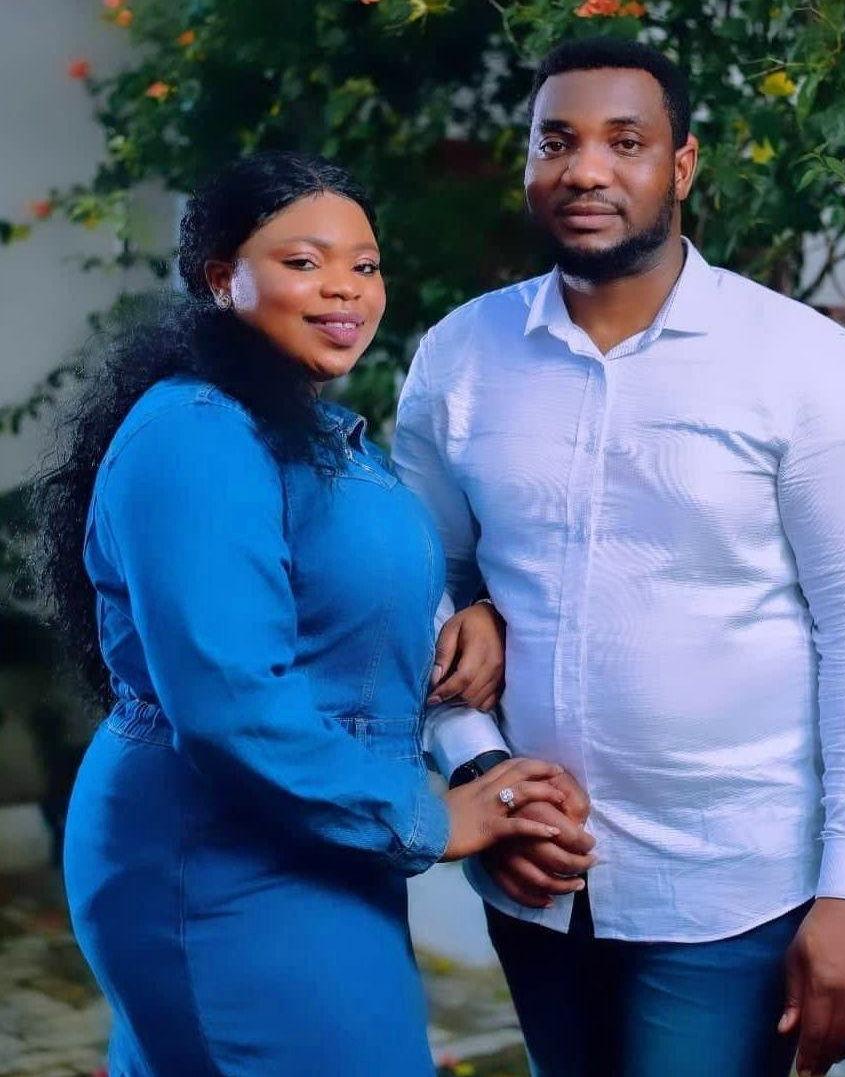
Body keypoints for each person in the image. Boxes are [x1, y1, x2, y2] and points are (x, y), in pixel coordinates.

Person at [394, 38, 845, 1077]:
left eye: (624, 142)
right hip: (532, 880)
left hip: (733, 890)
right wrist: (480, 767)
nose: (585, 169)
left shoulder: (802, 362)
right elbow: (413, 586)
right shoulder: (460, 355)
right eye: (557, 141)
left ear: (681, 166)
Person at [38, 151, 569, 1076]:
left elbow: (349, 602)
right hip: (221, 861)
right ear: (221, 278)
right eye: (303, 262)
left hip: (310, 838)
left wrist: (472, 616)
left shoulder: (304, 428)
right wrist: (435, 819)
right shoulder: (199, 434)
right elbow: (232, 703)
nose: (345, 288)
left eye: (364, 265)